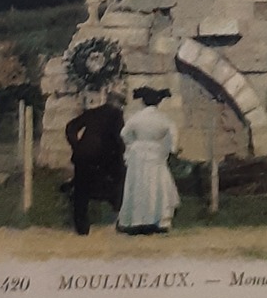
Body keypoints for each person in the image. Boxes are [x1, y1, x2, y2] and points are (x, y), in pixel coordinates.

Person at [117, 86, 180, 234]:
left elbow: (124, 133)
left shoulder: (136, 117)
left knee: (138, 184)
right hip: (155, 153)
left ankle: (134, 221)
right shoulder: (163, 118)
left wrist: (133, 144)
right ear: (158, 102)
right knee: (157, 185)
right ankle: (160, 220)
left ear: (143, 102)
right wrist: (171, 149)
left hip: (138, 154)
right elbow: (174, 134)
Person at [64, 89, 126, 235]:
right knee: (119, 182)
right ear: (116, 103)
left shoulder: (93, 112)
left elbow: (71, 127)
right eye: (121, 103)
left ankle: (81, 228)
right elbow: (118, 137)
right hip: (103, 156)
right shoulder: (116, 114)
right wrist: (121, 151)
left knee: (81, 190)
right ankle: (120, 217)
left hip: (83, 155)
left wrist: (76, 145)